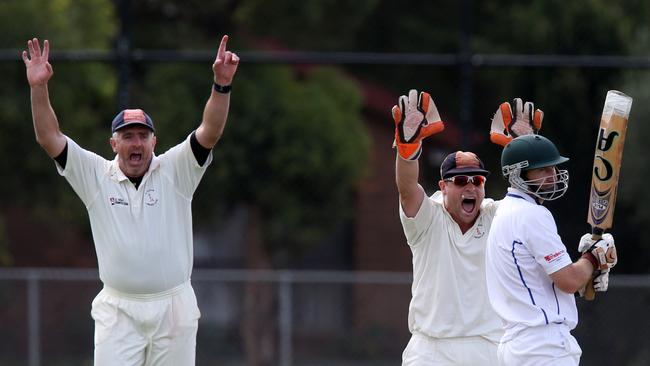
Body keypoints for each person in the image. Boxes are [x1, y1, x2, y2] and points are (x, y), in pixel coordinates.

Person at [22, 35, 239, 365]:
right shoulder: (95, 176)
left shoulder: (177, 170)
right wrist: (39, 87)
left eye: (142, 136)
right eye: (127, 136)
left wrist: (221, 85)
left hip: (174, 310)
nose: (135, 143)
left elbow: (210, 130)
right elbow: (48, 137)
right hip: (118, 312)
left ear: (154, 141)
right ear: (113, 143)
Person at [392, 90, 522, 365]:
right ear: (443, 187)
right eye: (461, 181)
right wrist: (407, 147)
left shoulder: (497, 215)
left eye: (477, 180)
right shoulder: (429, 218)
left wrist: (525, 151)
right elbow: (406, 189)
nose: (471, 186)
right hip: (431, 349)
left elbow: (528, 201)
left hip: (489, 346)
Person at [485, 133, 618, 365]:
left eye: (553, 169)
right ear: (518, 175)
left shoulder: (504, 213)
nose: (553, 176)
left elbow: (537, 284)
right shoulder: (533, 214)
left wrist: (587, 273)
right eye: (543, 170)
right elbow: (568, 281)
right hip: (543, 348)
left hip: (515, 347)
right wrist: (594, 257)